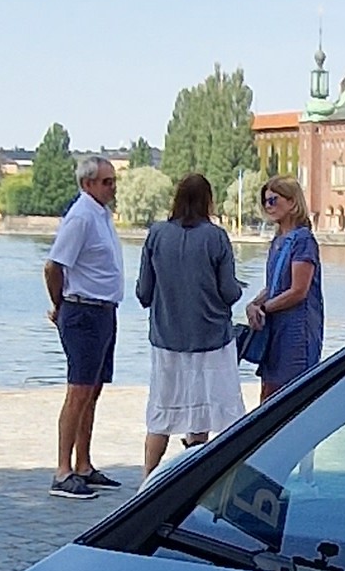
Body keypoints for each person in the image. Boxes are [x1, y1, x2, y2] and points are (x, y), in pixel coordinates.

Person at [137, 174, 244, 475]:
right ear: (208, 201)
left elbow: (144, 293)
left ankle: (147, 480)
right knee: (208, 412)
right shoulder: (216, 237)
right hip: (212, 339)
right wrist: (236, 289)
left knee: (161, 412)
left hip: (167, 338)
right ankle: (196, 478)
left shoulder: (156, 235)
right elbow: (228, 292)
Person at [44, 153, 123, 490]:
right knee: (78, 392)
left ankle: (84, 463)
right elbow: (53, 266)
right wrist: (60, 305)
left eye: (113, 181)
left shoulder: (101, 215)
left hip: (104, 311)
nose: (112, 187)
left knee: (93, 391)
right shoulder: (80, 217)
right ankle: (63, 470)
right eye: (107, 182)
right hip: (83, 311)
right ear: (88, 183)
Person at [244, 173, 324, 395]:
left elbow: (298, 291)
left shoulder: (303, 240)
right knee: (268, 392)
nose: (268, 206)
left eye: (273, 200)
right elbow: (275, 285)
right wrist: (254, 304)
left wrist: (264, 308)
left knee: (290, 395)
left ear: (291, 202)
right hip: (275, 331)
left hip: (296, 333)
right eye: (265, 201)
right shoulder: (279, 240)